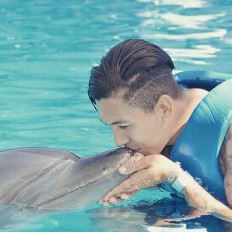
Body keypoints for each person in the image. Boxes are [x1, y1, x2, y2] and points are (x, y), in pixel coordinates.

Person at [87, 39, 232, 222]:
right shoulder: (165, 128)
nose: (118, 140)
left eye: (123, 126)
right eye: (111, 126)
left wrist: (175, 178)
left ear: (163, 108)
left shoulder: (228, 139)